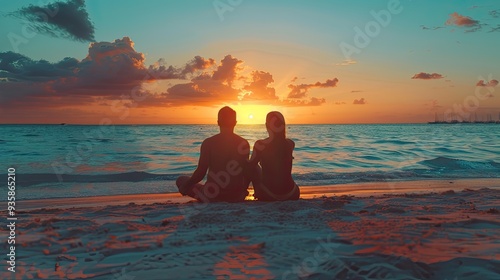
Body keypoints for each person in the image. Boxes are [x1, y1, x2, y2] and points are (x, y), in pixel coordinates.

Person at [176, 106, 250, 202]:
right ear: (235, 123)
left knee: (181, 180)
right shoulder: (244, 143)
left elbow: (200, 173)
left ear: (218, 122)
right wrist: (243, 190)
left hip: (212, 196)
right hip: (235, 196)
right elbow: (247, 171)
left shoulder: (209, 143)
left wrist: (186, 186)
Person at [247, 111, 300, 201]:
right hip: (292, 193)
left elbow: (250, 168)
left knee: (254, 166)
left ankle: (256, 192)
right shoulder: (290, 143)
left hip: (268, 194)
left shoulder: (260, 145)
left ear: (267, 125)